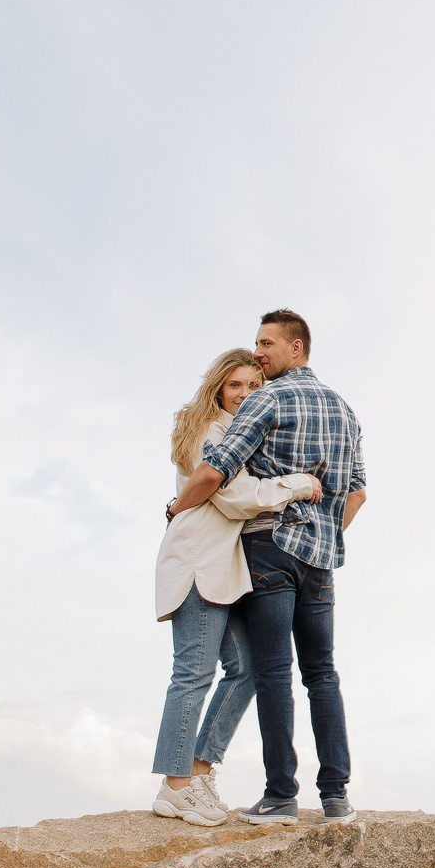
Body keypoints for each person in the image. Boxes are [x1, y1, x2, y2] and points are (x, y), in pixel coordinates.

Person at [193, 308, 367, 825]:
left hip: (268, 548)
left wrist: (178, 508)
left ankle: (281, 797)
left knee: (273, 673)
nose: (259, 352)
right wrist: (326, 532)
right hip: (321, 559)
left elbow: (217, 468)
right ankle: (336, 797)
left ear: (297, 348)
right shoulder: (344, 409)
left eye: (267, 344)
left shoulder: (267, 399)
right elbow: (356, 492)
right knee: (322, 675)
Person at [149, 347, 320, 826]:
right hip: (199, 562)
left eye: (253, 387)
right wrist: (300, 484)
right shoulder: (211, 431)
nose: (245, 395)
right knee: (192, 675)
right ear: (218, 388)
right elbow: (236, 497)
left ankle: (199, 769)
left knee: (244, 669)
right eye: (235, 386)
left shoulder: (235, 431)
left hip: (222, 569)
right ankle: (174, 787)